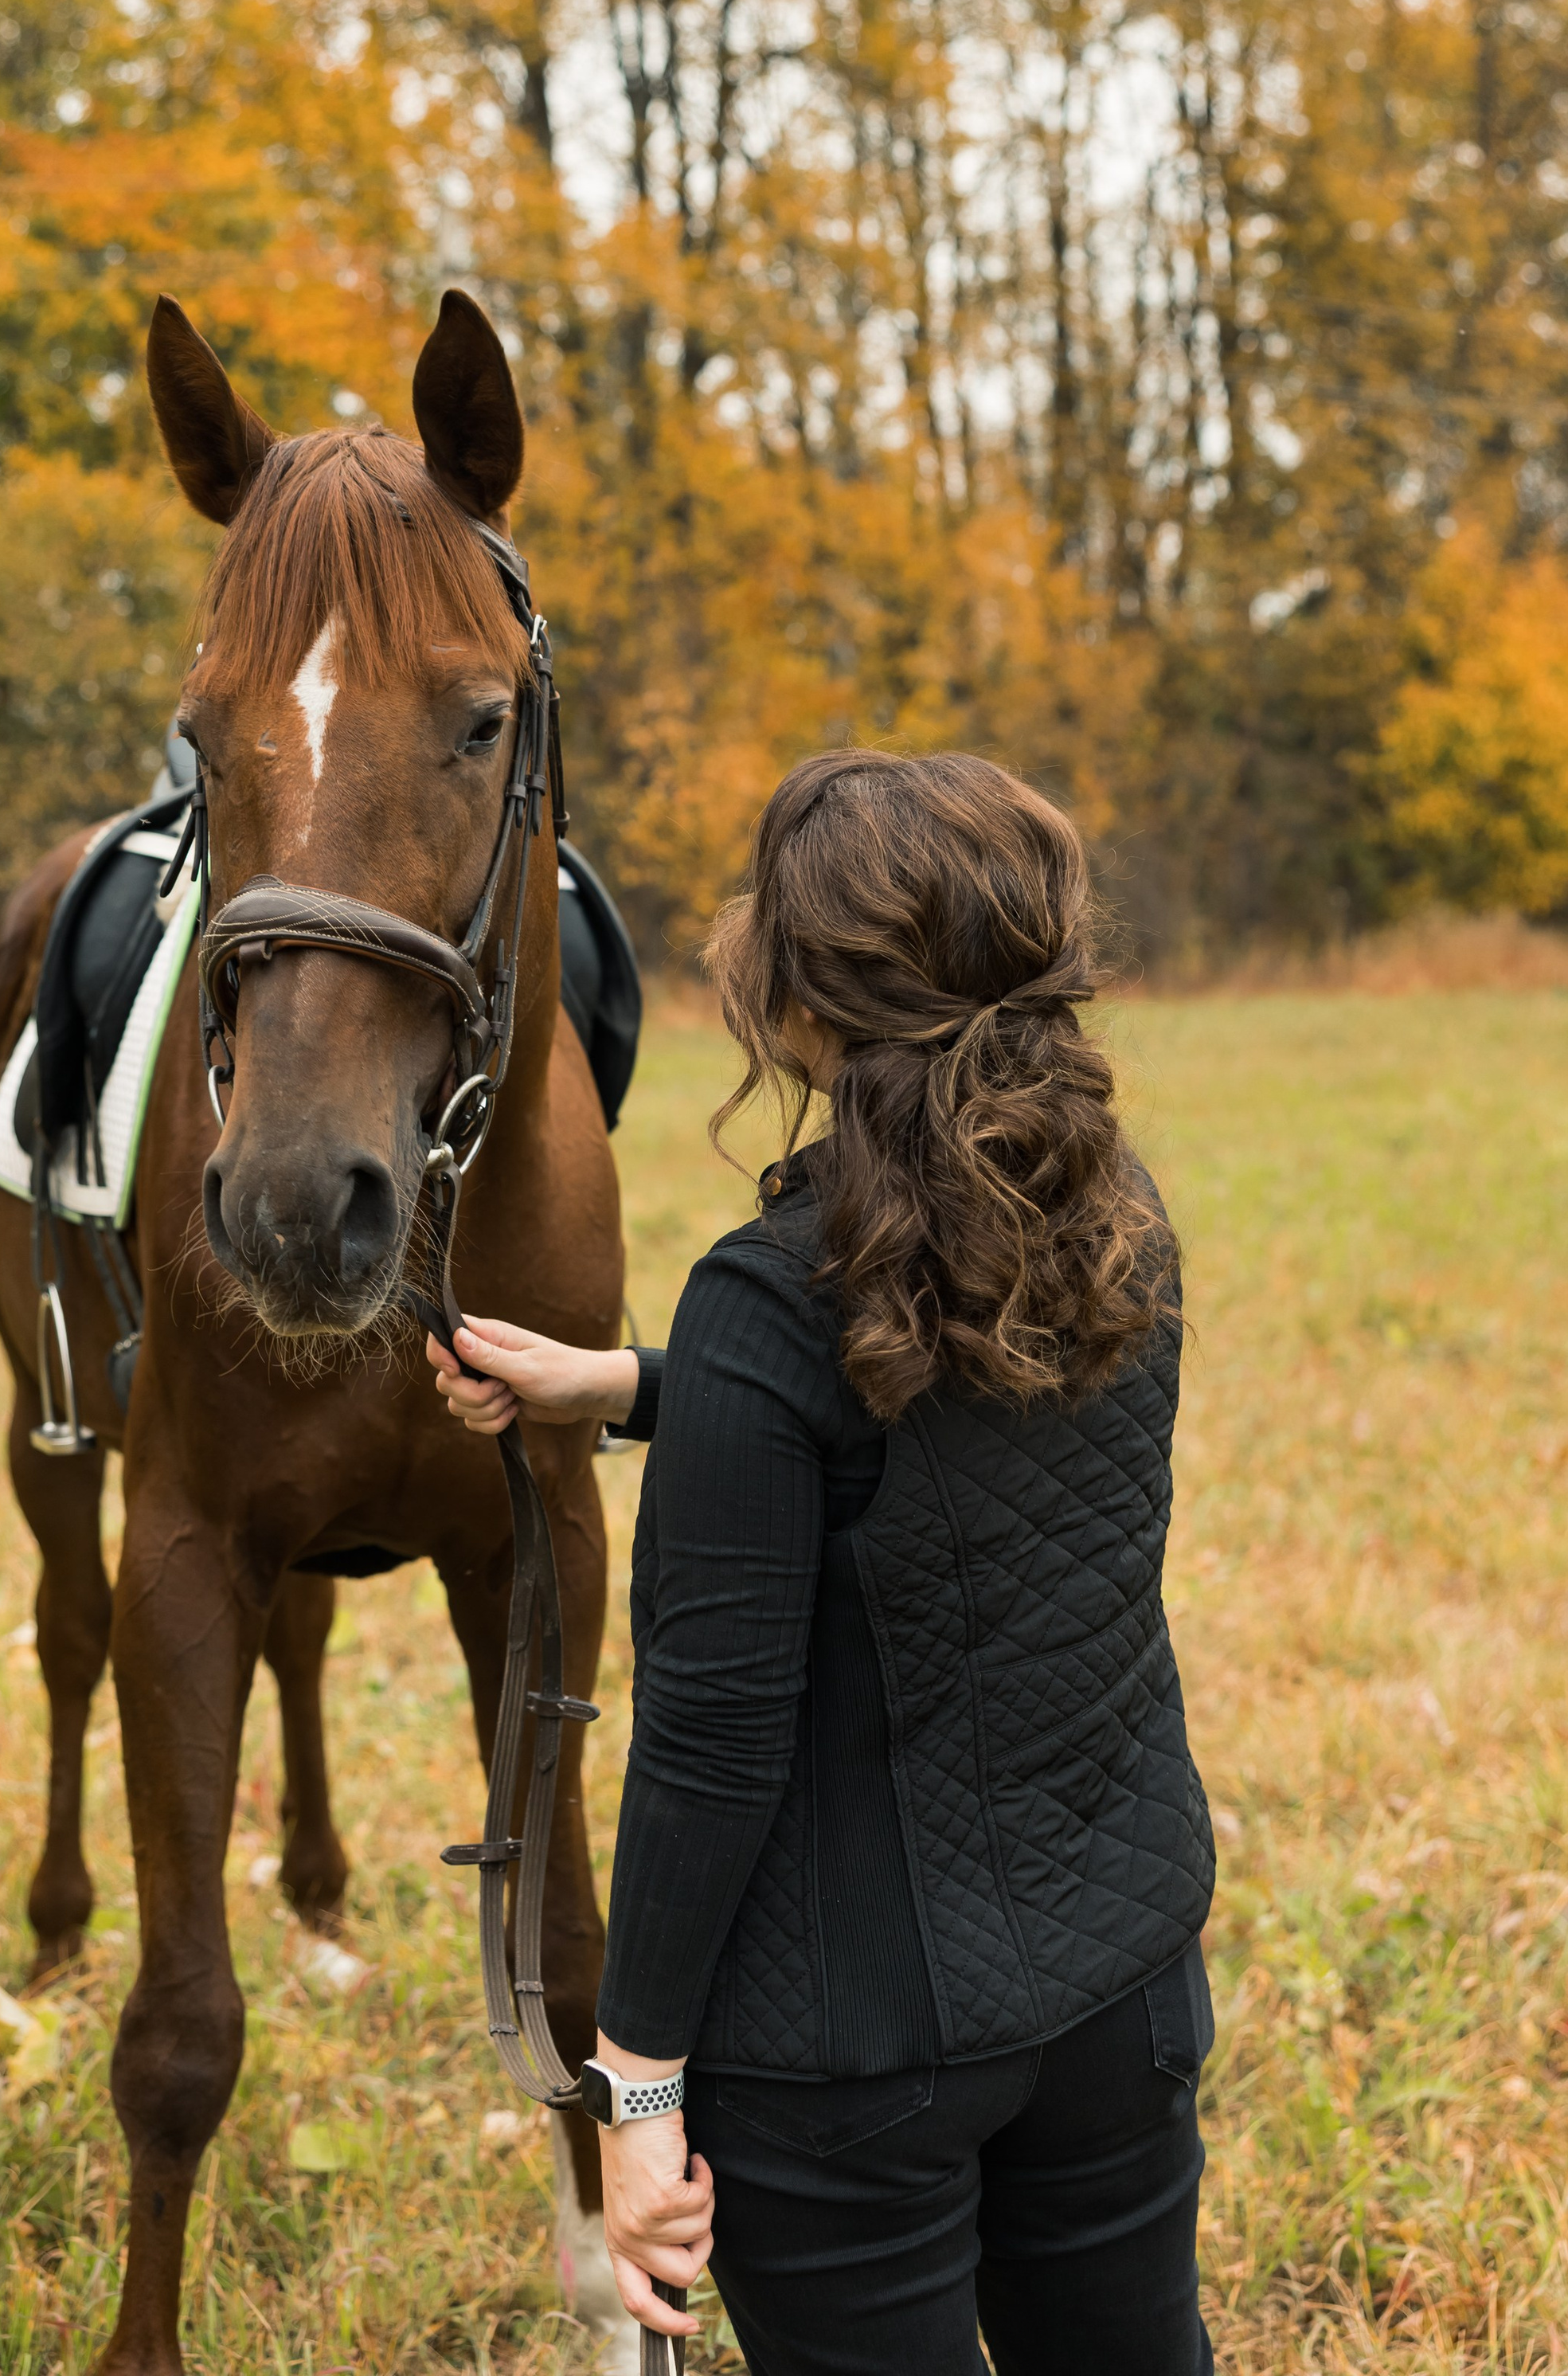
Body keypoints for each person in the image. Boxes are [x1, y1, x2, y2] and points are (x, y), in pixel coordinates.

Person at [433, 749, 1216, 2376]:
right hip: (1122, 1986)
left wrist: (635, 2093)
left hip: (849, 2061)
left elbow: (713, 1744)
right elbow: (936, 1435)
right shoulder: (1112, 1215)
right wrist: (645, 1390)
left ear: (794, 995)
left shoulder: (768, 1297)